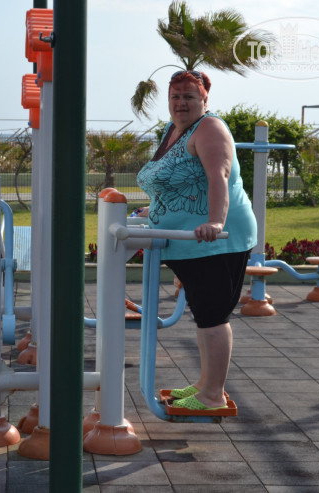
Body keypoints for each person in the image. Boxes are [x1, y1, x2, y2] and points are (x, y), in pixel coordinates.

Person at [136, 70, 257, 411]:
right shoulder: (174, 129)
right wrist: (154, 209)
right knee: (203, 312)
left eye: (189, 96)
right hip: (186, 242)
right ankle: (206, 384)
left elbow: (218, 177)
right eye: (175, 97)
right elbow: (179, 181)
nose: (181, 103)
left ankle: (212, 395)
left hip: (213, 242)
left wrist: (215, 222)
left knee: (213, 314)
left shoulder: (210, 128)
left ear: (204, 100)